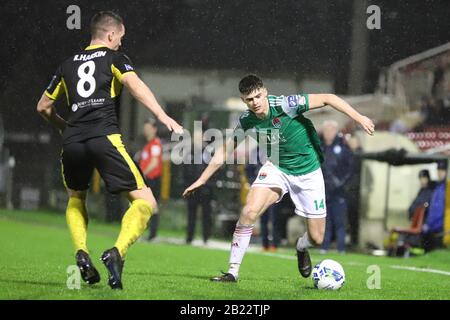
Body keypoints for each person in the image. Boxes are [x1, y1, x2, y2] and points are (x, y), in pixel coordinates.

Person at [36, 11, 183, 289]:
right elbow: (135, 86)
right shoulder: (115, 58)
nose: (121, 44)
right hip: (104, 138)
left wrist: (63, 127)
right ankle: (116, 252)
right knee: (146, 202)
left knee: (76, 198)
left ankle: (81, 251)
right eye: (121, 38)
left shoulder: (67, 64)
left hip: (73, 142)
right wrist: (164, 118)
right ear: (111, 35)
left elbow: (42, 106)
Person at [183, 75, 374, 282]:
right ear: (243, 100)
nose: (255, 102)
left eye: (258, 96)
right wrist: (203, 179)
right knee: (248, 212)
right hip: (277, 168)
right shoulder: (247, 120)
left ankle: (301, 247)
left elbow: (328, 97)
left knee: (317, 238)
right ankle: (232, 272)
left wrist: (359, 117)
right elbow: (225, 151)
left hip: (309, 172)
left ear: (265, 92)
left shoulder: (286, 104)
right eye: (249, 99)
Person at [320, 121, 354, 254]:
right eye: (326, 130)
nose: (328, 133)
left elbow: (350, 169)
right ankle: (324, 247)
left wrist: (341, 183)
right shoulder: (319, 147)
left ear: (335, 131)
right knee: (324, 221)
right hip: (323, 191)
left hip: (339, 192)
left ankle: (341, 248)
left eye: (331, 130)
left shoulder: (344, 148)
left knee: (340, 221)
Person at [244, 148, 280, 251]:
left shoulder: (276, 150)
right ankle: (265, 244)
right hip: (260, 190)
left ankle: (274, 244)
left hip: (273, 189)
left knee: (274, 218)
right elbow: (248, 169)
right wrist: (253, 183)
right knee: (263, 218)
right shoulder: (255, 152)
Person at [183, 127, 214, 245]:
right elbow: (185, 170)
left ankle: (206, 238)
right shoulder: (189, 152)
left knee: (206, 213)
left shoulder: (208, 151)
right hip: (192, 188)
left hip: (205, 188)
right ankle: (189, 238)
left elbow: (214, 169)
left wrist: (209, 184)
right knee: (191, 213)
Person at [139, 118, 163, 240]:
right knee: (146, 206)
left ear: (154, 129)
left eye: (149, 128)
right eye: (145, 128)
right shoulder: (148, 144)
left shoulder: (155, 144)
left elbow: (153, 163)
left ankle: (152, 234)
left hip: (152, 179)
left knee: (152, 206)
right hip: (147, 179)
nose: (146, 131)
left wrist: (141, 174)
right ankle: (147, 232)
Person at [422, 161, 447, 252]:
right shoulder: (437, 187)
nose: (439, 173)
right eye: (438, 170)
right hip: (432, 228)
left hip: (440, 229)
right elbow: (432, 208)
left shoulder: (446, 188)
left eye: (442, 170)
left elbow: (440, 210)